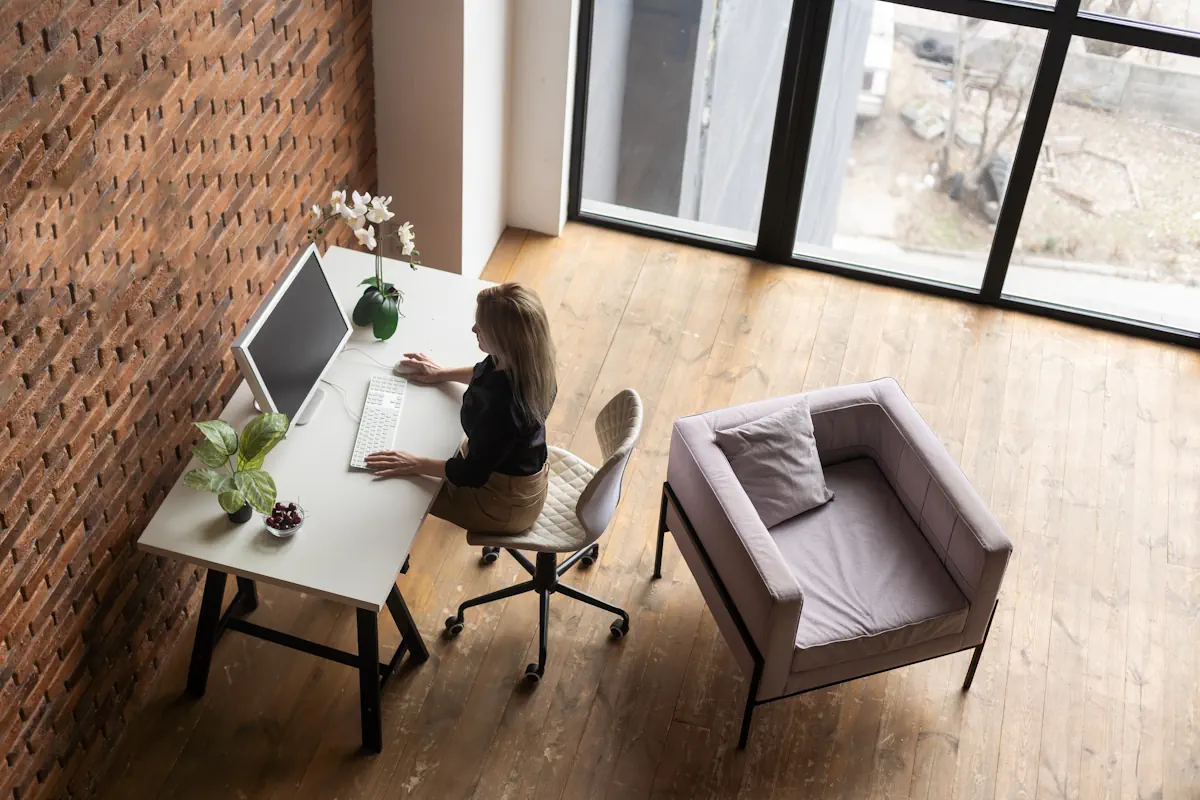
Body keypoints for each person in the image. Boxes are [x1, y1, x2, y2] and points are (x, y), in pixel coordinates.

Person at [365, 283, 557, 534]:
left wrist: (413, 464)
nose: (474, 329)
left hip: (503, 505)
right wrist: (441, 373)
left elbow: (470, 474)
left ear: (503, 341)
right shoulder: (529, 364)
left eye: (482, 327)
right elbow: (484, 372)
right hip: (515, 473)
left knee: (400, 488)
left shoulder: (505, 410)